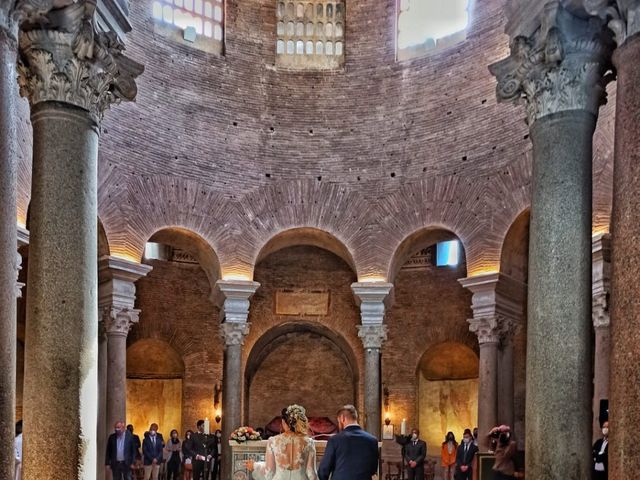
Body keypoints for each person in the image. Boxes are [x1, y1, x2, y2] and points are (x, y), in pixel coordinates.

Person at [247, 404, 318, 480]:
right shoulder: (309, 442)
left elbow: (269, 473)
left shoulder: (273, 441)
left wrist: (255, 466)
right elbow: (311, 473)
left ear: (283, 422)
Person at [317, 405, 378, 480]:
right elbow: (373, 469)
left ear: (342, 418)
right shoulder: (372, 440)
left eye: (338, 421)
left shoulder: (335, 440)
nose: (339, 424)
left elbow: (323, 470)